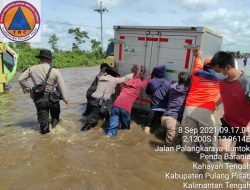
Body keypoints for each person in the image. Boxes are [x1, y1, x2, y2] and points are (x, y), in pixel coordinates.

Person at [210, 51, 250, 164]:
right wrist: (216, 105)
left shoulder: (246, 81)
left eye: (218, 71)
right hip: (229, 123)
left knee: (242, 161)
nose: (216, 73)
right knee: (222, 150)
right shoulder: (222, 82)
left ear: (227, 67)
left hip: (246, 127)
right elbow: (225, 94)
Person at [19, 49, 69, 134]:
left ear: (40, 58)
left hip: (39, 99)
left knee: (43, 123)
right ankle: (55, 133)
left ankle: (44, 136)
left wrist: (29, 90)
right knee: (55, 119)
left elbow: (21, 79)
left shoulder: (31, 69)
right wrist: (66, 99)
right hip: (53, 99)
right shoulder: (55, 70)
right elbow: (61, 87)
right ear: (50, 59)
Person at [181, 50, 220, 156]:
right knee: (208, 142)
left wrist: (198, 56)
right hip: (206, 111)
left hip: (190, 109)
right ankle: (208, 161)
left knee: (188, 141)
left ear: (204, 66)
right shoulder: (219, 78)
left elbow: (197, 63)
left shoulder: (196, 72)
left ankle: (185, 160)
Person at [80, 65, 135, 131]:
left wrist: (107, 69)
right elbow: (125, 78)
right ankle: (83, 130)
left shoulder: (101, 77)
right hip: (98, 102)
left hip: (92, 98)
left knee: (93, 113)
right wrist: (134, 72)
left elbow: (102, 72)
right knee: (93, 119)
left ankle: (89, 121)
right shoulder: (114, 80)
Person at [105, 65, 151, 137]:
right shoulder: (140, 85)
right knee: (126, 129)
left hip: (116, 105)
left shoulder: (126, 82)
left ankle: (109, 136)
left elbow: (134, 77)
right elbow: (148, 79)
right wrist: (152, 74)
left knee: (112, 126)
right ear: (140, 79)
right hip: (125, 109)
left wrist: (141, 72)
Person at [161, 72, 191, 146]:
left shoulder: (172, 86)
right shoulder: (186, 89)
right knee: (170, 147)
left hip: (164, 118)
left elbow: (179, 84)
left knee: (164, 141)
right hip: (173, 120)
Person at [143, 65, 171, 134]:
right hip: (164, 109)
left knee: (147, 126)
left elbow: (148, 92)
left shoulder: (151, 81)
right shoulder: (168, 82)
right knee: (163, 128)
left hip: (154, 108)